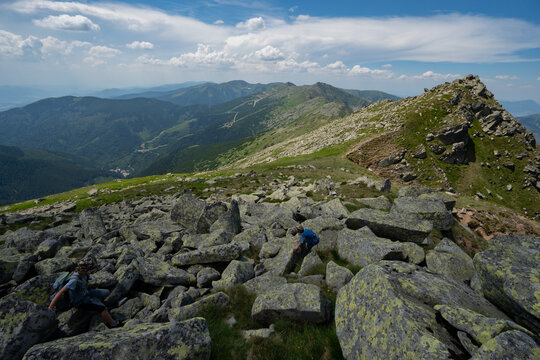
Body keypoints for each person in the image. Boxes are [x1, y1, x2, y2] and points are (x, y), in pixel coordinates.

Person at [48, 257, 118, 328]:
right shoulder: (74, 280)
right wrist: (50, 307)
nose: (89, 272)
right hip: (80, 301)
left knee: (106, 292)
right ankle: (113, 324)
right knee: (102, 308)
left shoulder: (83, 274)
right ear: (82, 269)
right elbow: (60, 292)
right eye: (87, 270)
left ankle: (99, 303)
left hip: (85, 292)